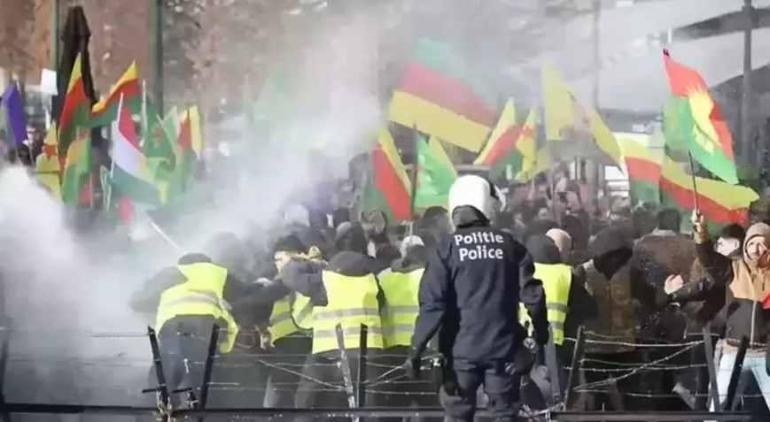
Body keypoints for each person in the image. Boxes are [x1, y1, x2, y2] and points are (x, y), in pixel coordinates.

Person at [406, 175, 548, 422]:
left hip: (459, 355)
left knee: (457, 416)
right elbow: (533, 296)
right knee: (505, 416)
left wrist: (415, 350)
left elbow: (432, 305)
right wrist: (538, 339)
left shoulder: (446, 248)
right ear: (487, 207)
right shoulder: (509, 245)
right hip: (503, 352)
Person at [280, 221, 386, 418]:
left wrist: (307, 261)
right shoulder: (374, 276)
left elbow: (288, 274)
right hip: (367, 353)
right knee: (367, 410)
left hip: (327, 353)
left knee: (305, 405)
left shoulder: (325, 278)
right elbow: (382, 303)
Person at [665, 217, 770, 412]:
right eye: (752, 243)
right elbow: (708, 259)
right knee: (718, 409)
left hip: (765, 354)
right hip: (734, 352)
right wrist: (701, 231)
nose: (755, 249)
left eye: (761, 244)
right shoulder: (733, 268)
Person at [377, 237, 436, 412]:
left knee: (393, 408)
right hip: (423, 350)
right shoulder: (428, 277)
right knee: (430, 407)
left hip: (389, 352)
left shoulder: (383, 276)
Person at [263, 235, 316, 408]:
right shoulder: (280, 280)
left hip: (297, 344)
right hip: (284, 347)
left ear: (297, 257)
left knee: (279, 402)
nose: (277, 265)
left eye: (281, 259)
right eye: (275, 261)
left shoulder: (302, 277)